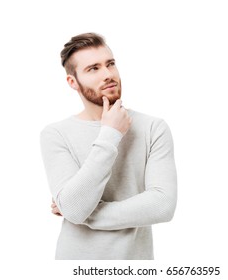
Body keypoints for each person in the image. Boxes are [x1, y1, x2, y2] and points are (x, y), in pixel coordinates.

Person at [40, 33, 177, 260]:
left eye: (110, 64)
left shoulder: (153, 127)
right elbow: (74, 208)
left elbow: (162, 205)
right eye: (93, 68)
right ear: (73, 82)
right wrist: (110, 134)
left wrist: (84, 215)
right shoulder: (55, 134)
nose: (108, 74)